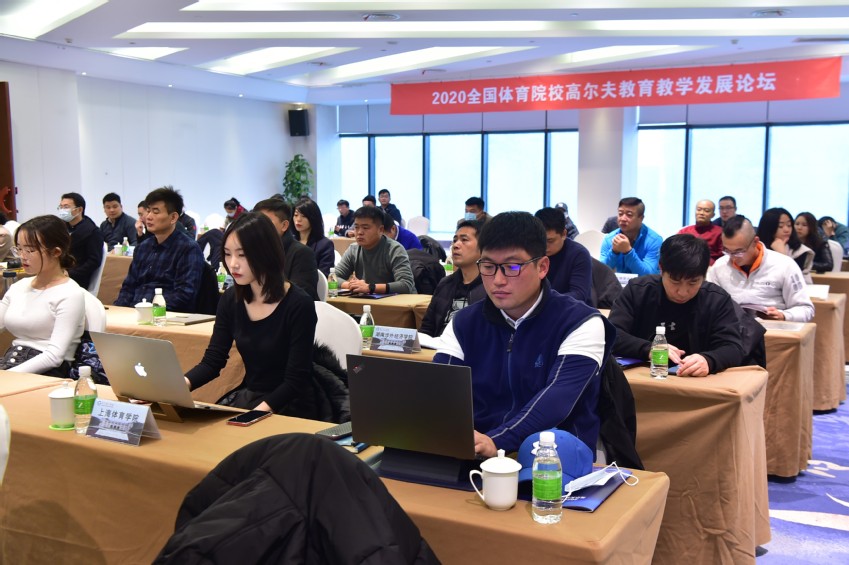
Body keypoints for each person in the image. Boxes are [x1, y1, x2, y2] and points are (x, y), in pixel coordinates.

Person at [434, 212, 615, 457]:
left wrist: (496, 441)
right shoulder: (464, 323)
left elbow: (556, 400)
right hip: (476, 452)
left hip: (553, 458)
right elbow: (441, 392)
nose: (498, 280)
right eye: (488, 267)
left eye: (512, 267)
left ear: (542, 267)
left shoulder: (580, 322)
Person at [185, 213, 321, 417]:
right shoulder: (231, 299)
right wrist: (178, 386)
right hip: (253, 396)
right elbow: (213, 362)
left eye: (242, 255)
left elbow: (295, 381)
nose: (232, 264)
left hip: (291, 404)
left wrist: (254, 415)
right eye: (227, 254)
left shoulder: (299, 304)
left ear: (266, 253)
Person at [609, 234, 744, 377]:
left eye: (693, 282)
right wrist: (647, 348)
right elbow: (611, 334)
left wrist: (709, 360)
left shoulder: (716, 299)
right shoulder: (638, 290)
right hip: (645, 376)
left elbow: (733, 348)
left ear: (704, 275)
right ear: (661, 268)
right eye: (675, 281)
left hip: (695, 381)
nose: (682, 292)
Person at [0, 215, 85, 377]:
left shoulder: (70, 294)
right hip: (13, 361)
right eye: (19, 249)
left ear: (56, 252)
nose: (22, 256)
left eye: (30, 250)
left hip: (46, 371)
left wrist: (8, 376)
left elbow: (54, 357)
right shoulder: (19, 287)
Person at [706, 215, 814, 322]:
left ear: (755, 242)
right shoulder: (719, 266)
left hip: (773, 328)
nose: (733, 257)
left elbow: (806, 309)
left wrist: (783, 315)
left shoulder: (784, 265)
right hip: (731, 328)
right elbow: (709, 304)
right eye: (727, 250)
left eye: (739, 251)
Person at [114, 187, 206, 312]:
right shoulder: (142, 248)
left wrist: (150, 310)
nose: (148, 217)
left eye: (155, 212)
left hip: (165, 316)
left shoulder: (188, 248)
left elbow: (184, 295)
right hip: (135, 314)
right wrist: (119, 310)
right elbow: (128, 287)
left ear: (173, 218)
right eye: (148, 211)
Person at [419, 220, 486, 338]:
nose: (455, 245)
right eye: (455, 240)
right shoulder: (445, 283)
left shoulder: (490, 287)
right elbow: (427, 327)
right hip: (438, 346)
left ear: (483, 248)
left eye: (464, 240)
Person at [334, 207, 416, 295]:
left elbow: (405, 285)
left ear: (380, 230)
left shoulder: (394, 249)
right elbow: (333, 277)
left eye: (365, 228)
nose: (359, 232)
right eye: (356, 227)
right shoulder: (353, 249)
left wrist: (370, 288)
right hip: (369, 299)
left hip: (399, 301)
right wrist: (352, 286)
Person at [253, 198, 319, 301]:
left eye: (266, 222)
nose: (258, 227)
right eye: (255, 222)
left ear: (284, 225)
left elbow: (301, 298)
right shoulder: (253, 251)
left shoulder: (302, 254)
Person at [534, 207, 591, 305]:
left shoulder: (579, 254)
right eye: (540, 240)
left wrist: (543, 301)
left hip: (571, 309)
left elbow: (579, 295)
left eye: (550, 241)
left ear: (564, 234)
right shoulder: (532, 252)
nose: (544, 246)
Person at [599, 197, 662, 275]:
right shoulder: (609, 238)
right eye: (620, 214)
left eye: (629, 215)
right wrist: (614, 252)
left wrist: (628, 252)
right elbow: (600, 271)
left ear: (641, 218)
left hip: (643, 283)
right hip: (616, 283)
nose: (623, 219)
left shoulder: (654, 240)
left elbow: (649, 275)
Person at [58, 192, 105, 290]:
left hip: (77, 277)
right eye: (61, 207)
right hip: (60, 272)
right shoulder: (60, 227)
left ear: (79, 210)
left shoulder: (92, 231)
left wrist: (70, 273)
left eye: (66, 207)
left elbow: (94, 261)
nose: (62, 210)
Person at [757, 207, 814, 283]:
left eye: (789, 225)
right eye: (780, 226)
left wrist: (782, 254)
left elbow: (791, 279)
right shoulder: (757, 249)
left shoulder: (800, 251)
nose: (787, 230)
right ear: (768, 228)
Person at [292, 199, 335, 276]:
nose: (298, 219)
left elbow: (323, 275)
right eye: (296, 215)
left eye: (304, 216)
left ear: (313, 218)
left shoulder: (325, 244)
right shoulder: (290, 241)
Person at [678, 199, 723, 264]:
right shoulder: (684, 231)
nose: (701, 213)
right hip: (685, 266)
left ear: (713, 215)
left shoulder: (720, 233)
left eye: (706, 211)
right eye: (699, 209)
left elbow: (724, 257)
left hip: (711, 267)